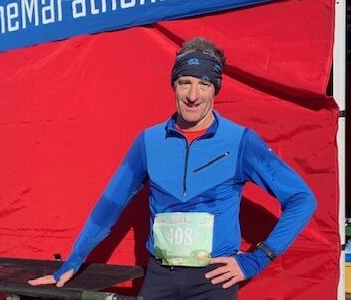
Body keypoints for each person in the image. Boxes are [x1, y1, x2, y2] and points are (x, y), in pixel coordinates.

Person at [28, 37, 317, 299]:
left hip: (213, 280)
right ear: (174, 85)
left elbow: (302, 200)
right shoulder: (148, 141)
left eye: (203, 84)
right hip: (160, 277)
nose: (193, 95)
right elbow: (108, 207)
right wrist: (73, 260)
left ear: (215, 88)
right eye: (185, 82)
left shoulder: (241, 141)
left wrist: (258, 259)